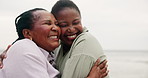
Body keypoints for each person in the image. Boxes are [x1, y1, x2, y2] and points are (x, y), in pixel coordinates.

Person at [0, 8, 107, 78]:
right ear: (27, 33)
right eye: (47, 23)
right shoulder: (24, 48)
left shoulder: (48, 54)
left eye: (56, 24)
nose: (55, 28)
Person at [51, 0, 109, 78]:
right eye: (64, 25)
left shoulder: (85, 43)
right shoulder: (59, 47)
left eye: (76, 23)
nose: (71, 29)